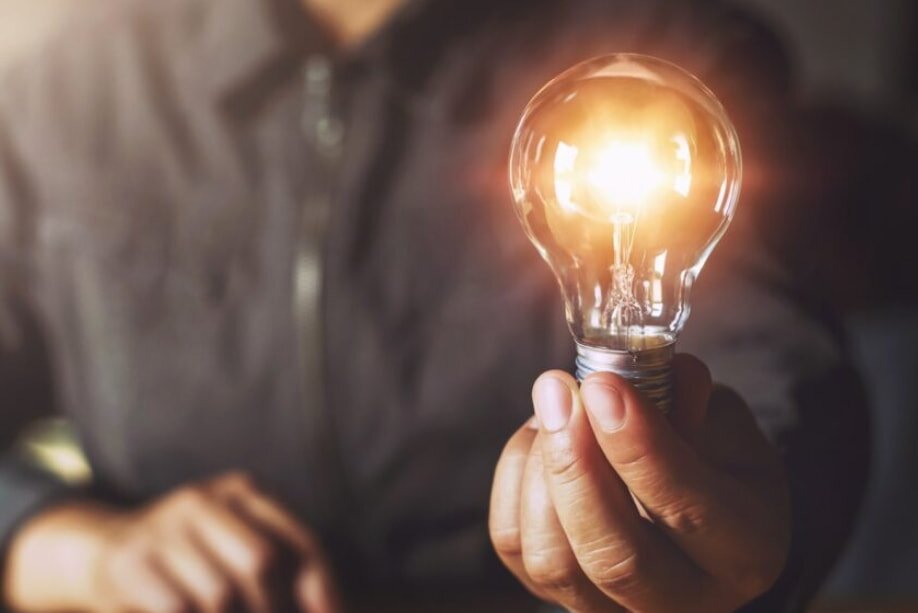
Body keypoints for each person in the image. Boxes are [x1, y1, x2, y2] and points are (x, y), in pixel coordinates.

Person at [0, 0, 868, 611]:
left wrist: (743, 541)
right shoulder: (62, 96)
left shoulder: (659, 60)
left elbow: (785, 385)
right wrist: (61, 545)